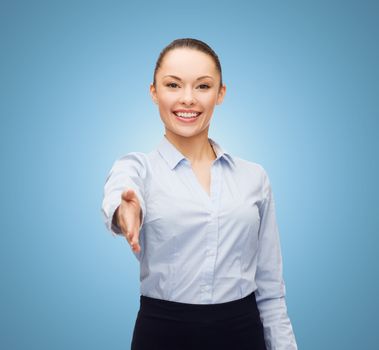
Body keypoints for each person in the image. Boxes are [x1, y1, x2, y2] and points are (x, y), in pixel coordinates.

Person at [101, 38, 298, 350]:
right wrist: (124, 211)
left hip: (243, 333)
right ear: (154, 92)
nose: (188, 99)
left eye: (203, 86)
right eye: (173, 85)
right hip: (163, 334)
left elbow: (271, 290)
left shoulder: (254, 178)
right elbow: (121, 189)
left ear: (220, 94)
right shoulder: (139, 168)